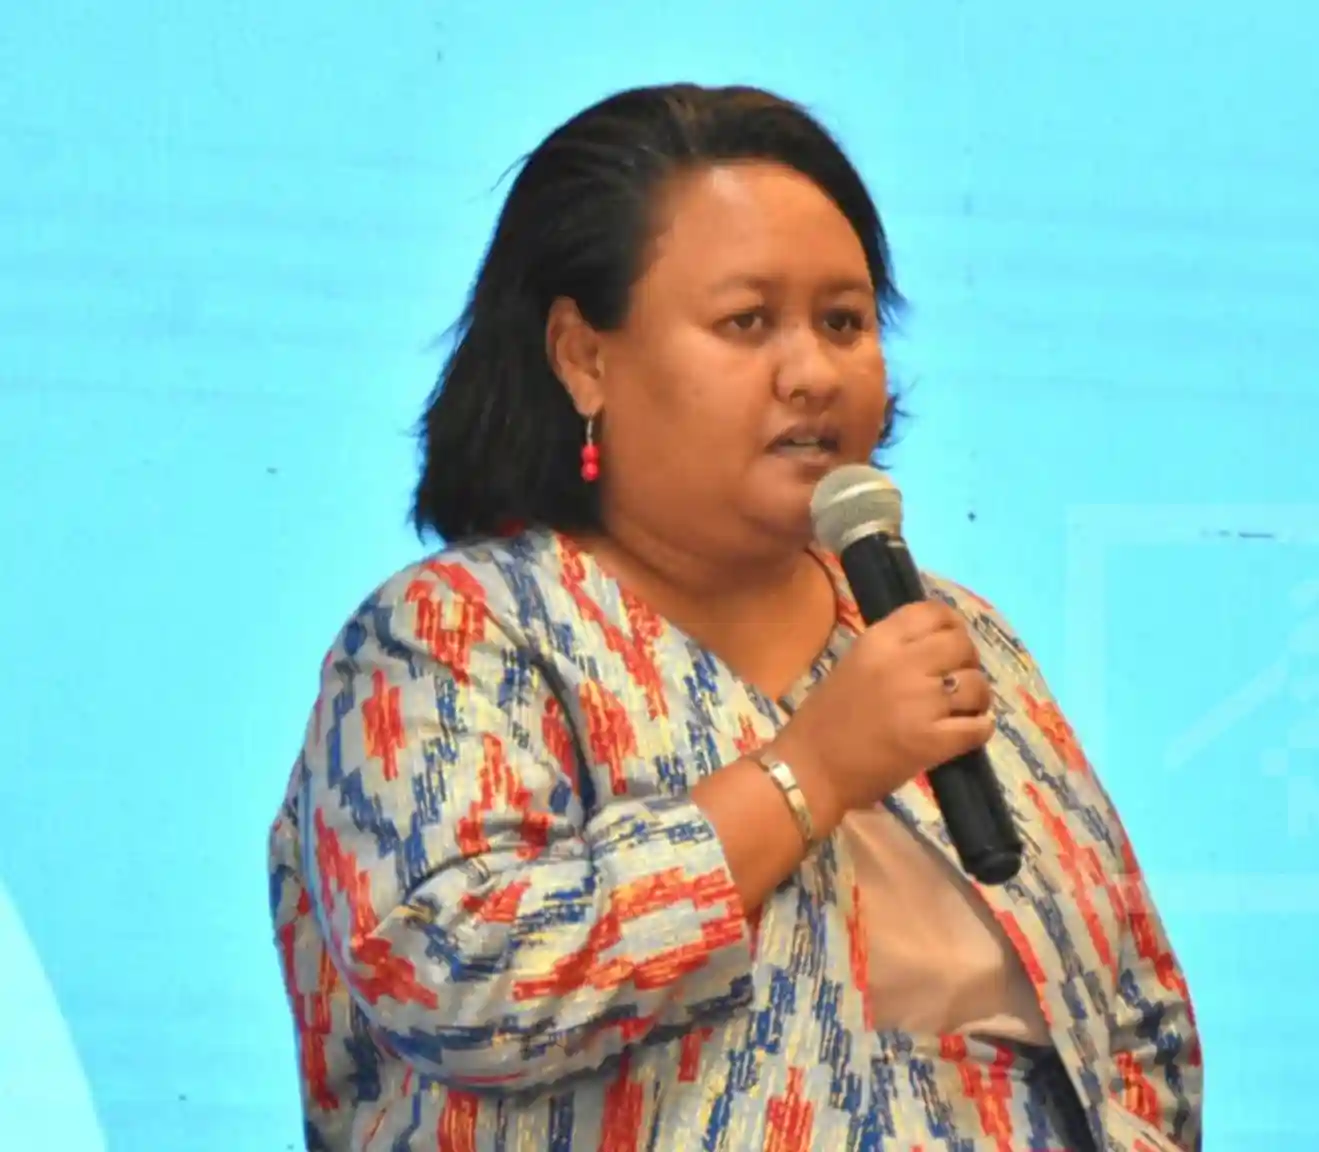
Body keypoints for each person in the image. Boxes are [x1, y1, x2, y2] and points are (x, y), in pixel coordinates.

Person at [265, 83, 1202, 1152]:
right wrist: (808, 773)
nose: (812, 373)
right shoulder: (458, 633)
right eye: (747, 323)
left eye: (843, 323)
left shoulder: (951, 632)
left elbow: (1137, 1024)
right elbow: (457, 982)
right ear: (583, 356)